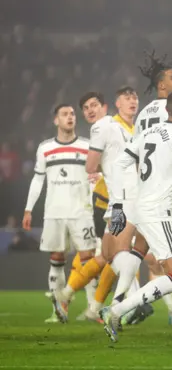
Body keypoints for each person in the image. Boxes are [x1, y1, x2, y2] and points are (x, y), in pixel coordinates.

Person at [100, 90, 172, 347]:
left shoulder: (147, 133)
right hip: (158, 214)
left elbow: (118, 165)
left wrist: (119, 203)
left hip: (145, 209)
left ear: (167, 111)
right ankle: (116, 310)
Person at [50, 89, 145, 324]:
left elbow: (91, 166)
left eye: (94, 105)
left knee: (114, 255)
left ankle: (109, 304)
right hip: (124, 201)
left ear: (105, 107)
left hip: (121, 201)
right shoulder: (114, 127)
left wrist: (98, 169)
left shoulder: (104, 127)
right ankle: (120, 305)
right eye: (86, 108)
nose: (90, 110)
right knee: (113, 255)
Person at [22, 104, 96, 322]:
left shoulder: (87, 146)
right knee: (56, 260)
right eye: (64, 114)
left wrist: (92, 203)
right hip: (54, 212)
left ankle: (93, 309)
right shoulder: (45, 148)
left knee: (88, 260)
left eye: (72, 113)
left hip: (82, 212)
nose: (70, 117)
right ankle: (58, 311)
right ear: (56, 120)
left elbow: (95, 177)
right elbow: (38, 180)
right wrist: (28, 209)